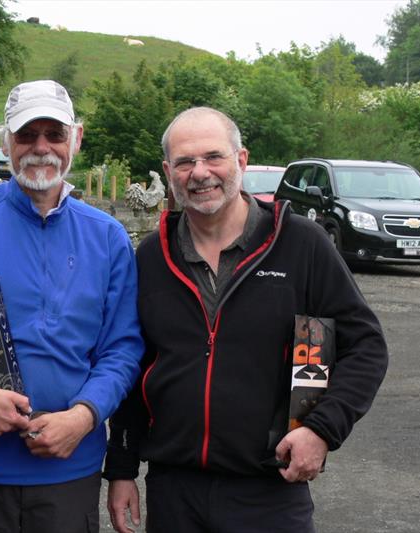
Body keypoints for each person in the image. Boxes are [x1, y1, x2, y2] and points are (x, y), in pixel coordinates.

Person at [104, 107, 388, 533]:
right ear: (168, 171)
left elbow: (365, 346)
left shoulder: (300, 244)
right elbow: (133, 364)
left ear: (241, 160)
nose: (199, 173)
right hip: (174, 491)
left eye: (213, 157)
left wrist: (322, 430)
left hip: (270, 492)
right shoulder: (151, 257)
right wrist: (122, 467)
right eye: (184, 162)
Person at [0, 80, 144, 532]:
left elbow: (122, 349)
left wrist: (85, 415)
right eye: (26, 135)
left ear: (76, 139)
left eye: (54, 135)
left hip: (68, 471)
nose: (40, 148)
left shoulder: (107, 237)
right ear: (5, 143)